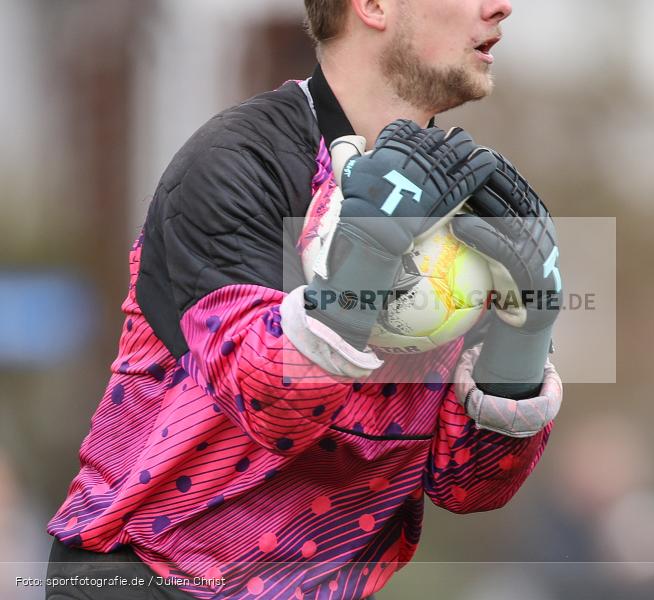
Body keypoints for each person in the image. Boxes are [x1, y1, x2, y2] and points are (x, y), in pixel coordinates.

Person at [45, 0, 563, 598]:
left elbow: (471, 485)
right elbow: (273, 409)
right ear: (372, 6)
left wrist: (525, 340)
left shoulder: (470, 198)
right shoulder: (237, 160)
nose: (500, 6)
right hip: (141, 577)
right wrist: (368, 256)